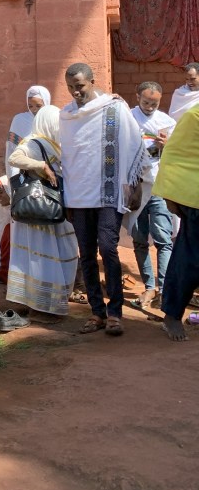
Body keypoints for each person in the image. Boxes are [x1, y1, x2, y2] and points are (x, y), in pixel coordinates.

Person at [59, 63, 146, 336]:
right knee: (86, 254)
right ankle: (97, 312)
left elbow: (134, 142)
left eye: (80, 86)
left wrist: (135, 186)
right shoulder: (66, 115)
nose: (75, 92)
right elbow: (68, 156)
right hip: (77, 195)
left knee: (108, 248)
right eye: (70, 87)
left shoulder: (113, 108)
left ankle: (115, 312)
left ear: (92, 82)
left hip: (108, 192)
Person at [7, 105, 79, 322]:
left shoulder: (56, 144)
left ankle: (37, 303)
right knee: (42, 257)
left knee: (55, 254)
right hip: (40, 210)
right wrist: (41, 166)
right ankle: (41, 308)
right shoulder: (33, 142)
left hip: (51, 210)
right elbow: (14, 158)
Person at [125, 81, 176, 308]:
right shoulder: (128, 119)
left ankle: (164, 289)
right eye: (146, 102)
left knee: (163, 239)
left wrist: (169, 145)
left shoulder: (167, 122)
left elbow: (180, 152)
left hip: (158, 187)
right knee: (139, 239)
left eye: (154, 103)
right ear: (137, 97)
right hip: (135, 189)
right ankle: (148, 287)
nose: (150, 107)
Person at [152, 106, 199, 341]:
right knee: (190, 261)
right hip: (194, 199)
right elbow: (173, 155)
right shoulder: (194, 116)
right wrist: (170, 195)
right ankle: (172, 315)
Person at [5, 85, 51, 177]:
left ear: (46, 102)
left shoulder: (52, 120)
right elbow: (12, 149)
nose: (34, 109)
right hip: (26, 171)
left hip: (50, 169)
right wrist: (13, 175)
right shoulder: (20, 120)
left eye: (38, 106)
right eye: (30, 106)